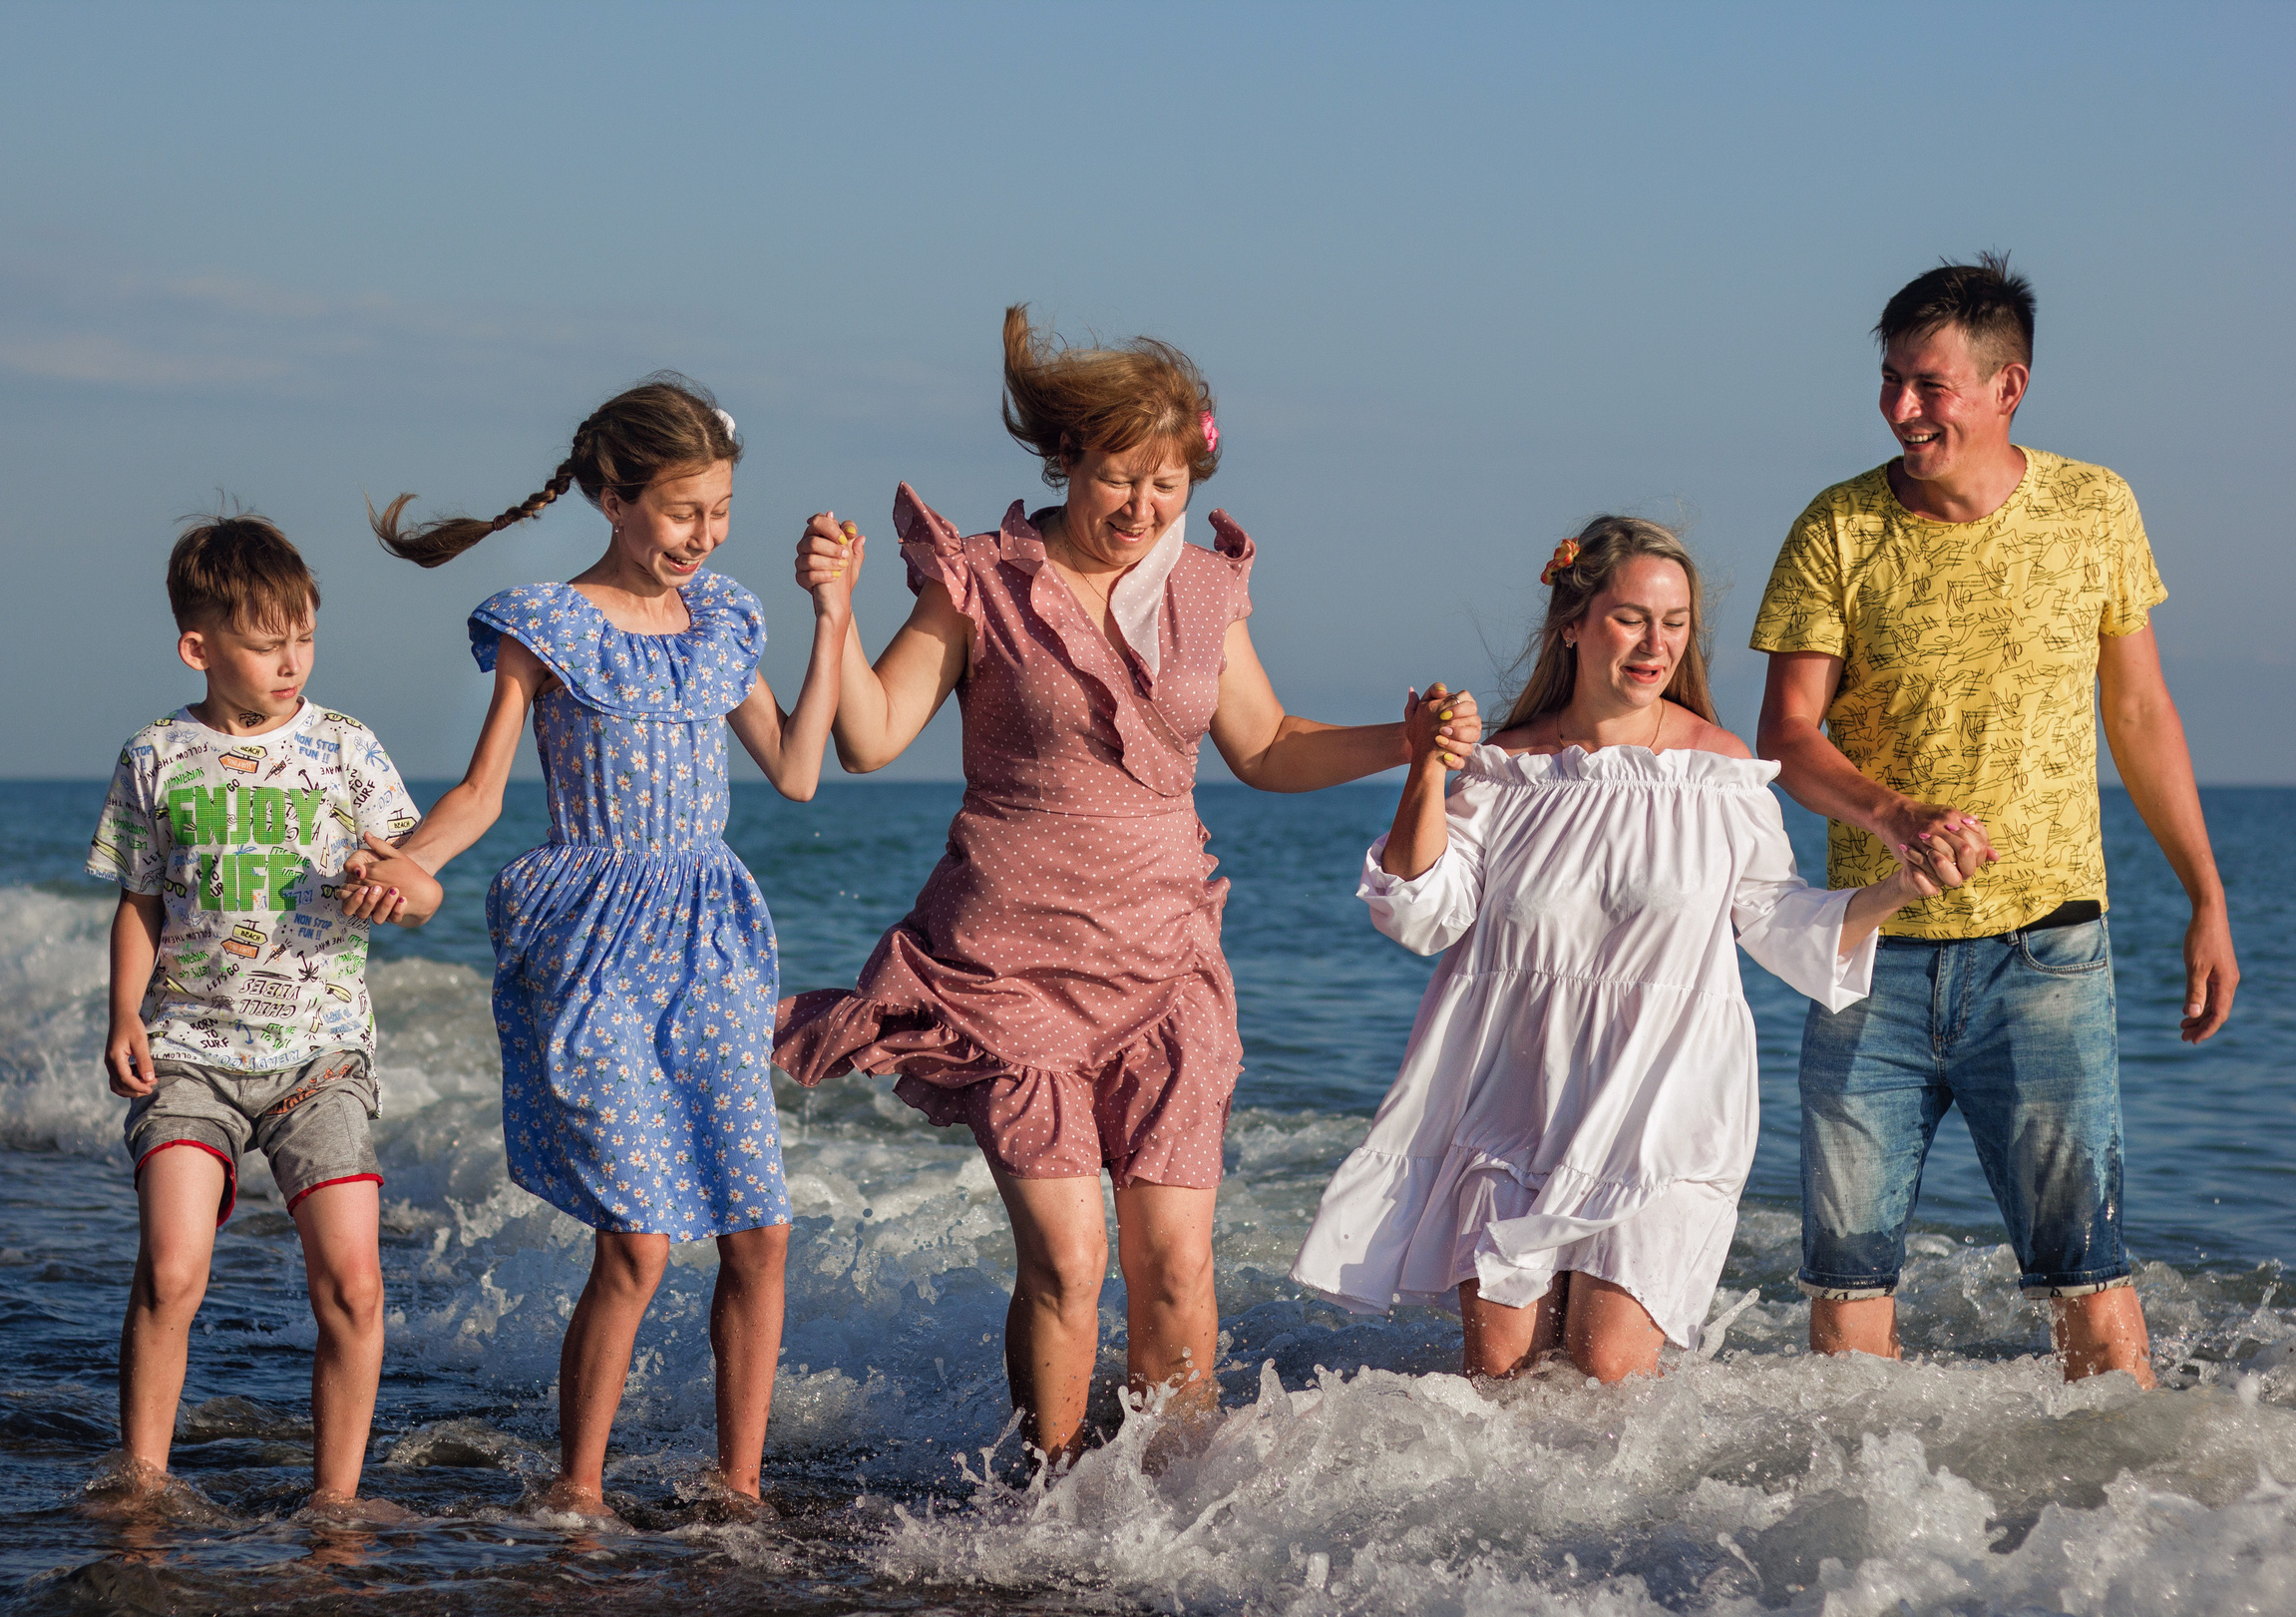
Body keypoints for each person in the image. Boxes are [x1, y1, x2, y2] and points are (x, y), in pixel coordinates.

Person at [778, 307, 1422, 1461]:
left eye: (1166, 483)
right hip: (1008, 972)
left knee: (1174, 1267)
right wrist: (833, 615)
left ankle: (1172, 1510)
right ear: (1065, 459)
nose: (1141, 506)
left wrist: (1405, 741)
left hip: (1164, 969)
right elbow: (869, 740)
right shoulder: (981, 581)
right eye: (1119, 477)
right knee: (1067, 1266)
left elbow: (1267, 748)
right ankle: (1046, 1502)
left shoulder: (1206, 591)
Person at [1290, 520, 1941, 1379]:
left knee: (1605, 1374)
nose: (1656, 644)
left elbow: (1780, 923)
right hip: (1514, 1106)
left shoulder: (1718, 773)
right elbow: (1423, 915)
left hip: (1666, 1111)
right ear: (1572, 621)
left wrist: (1897, 889)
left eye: (1675, 624)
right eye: (1631, 617)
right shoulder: (1507, 771)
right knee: (1500, 1379)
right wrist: (1425, 768)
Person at [358, 377, 845, 1516]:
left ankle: (740, 1488)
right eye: (682, 511)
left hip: (712, 933)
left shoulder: (724, 619)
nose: (704, 535)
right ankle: (575, 1493)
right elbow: (483, 792)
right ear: (611, 496)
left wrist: (831, 617)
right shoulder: (547, 622)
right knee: (638, 1235)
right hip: (591, 937)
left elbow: (798, 769)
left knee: (758, 1230)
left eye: (718, 511)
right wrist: (409, 861)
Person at [1752, 254, 2239, 1389]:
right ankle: (1844, 1550)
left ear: (2006, 384)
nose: (1901, 409)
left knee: (2088, 1278)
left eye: (1929, 385)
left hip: (2046, 951)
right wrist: (1894, 810)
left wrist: (2206, 898)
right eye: (1890, 381)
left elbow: (2140, 712)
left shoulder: (2094, 506)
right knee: (1848, 1290)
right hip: (1867, 953)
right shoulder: (1836, 527)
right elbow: (1787, 738)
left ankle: (2135, 1532)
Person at [88, 514, 439, 1514]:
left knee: (354, 1286)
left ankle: (334, 1502)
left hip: (321, 1057)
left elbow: (423, 886)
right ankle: (143, 1482)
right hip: (189, 1052)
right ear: (200, 647)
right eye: (263, 640)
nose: (291, 661)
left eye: (304, 637)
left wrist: (398, 886)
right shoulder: (156, 755)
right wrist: (124, 1015)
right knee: (171, 1267)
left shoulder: (345, 748)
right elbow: (139, 901)